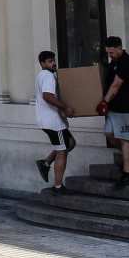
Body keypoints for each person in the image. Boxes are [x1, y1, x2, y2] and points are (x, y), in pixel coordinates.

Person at [100, 36, 129, 186]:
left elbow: (116, 85)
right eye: (108, 53)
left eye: (111, 52)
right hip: (116, 108)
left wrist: (105, 101)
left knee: (125, 138)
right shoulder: (115, 62)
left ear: (120, 48)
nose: (110, 55)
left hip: (128, 108)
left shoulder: (127, 63)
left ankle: (127, 174)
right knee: (109, 134)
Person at [33, 50, 76, 193]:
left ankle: (45, 163)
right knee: (62, 152)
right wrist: (65, 108)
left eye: (54, 60)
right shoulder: (48, 76)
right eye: (50, 61)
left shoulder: (43, 75)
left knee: (70, 143)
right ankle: (58, 186)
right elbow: (47, 96)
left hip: (52, 121)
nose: (54, 63)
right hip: (53, 122)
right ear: (42, 64)